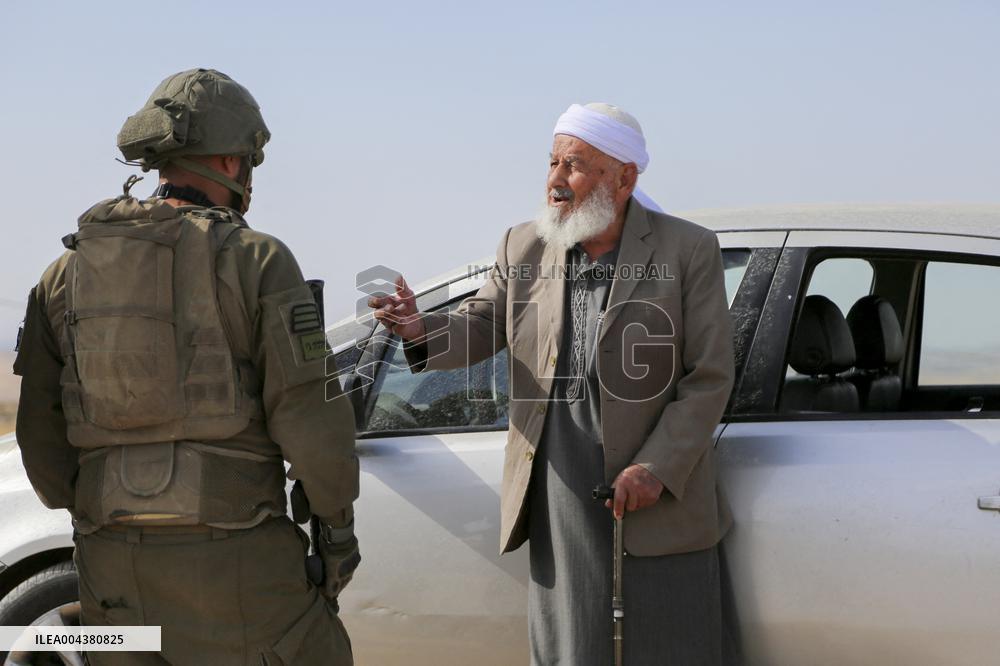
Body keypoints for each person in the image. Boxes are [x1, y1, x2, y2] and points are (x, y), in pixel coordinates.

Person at [370, 102, 739, 664]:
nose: (555, 182)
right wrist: (421, 328)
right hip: (561, 481)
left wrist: (656, 467)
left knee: (671, 636)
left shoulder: (686, 250)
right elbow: (483, 324)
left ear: (625, 178)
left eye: (573, 166)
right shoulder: (525, 245)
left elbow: (709, 376)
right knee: (575, 637)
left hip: (655, 486)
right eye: (552, 164)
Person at [13, 68, 358, 666]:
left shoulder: (64, 274)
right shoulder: (257, 260)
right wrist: (336, 535)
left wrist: (101, 517)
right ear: (229, 162)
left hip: (112, 569)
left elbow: (40, 435)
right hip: (235, 568)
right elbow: (310, 415)